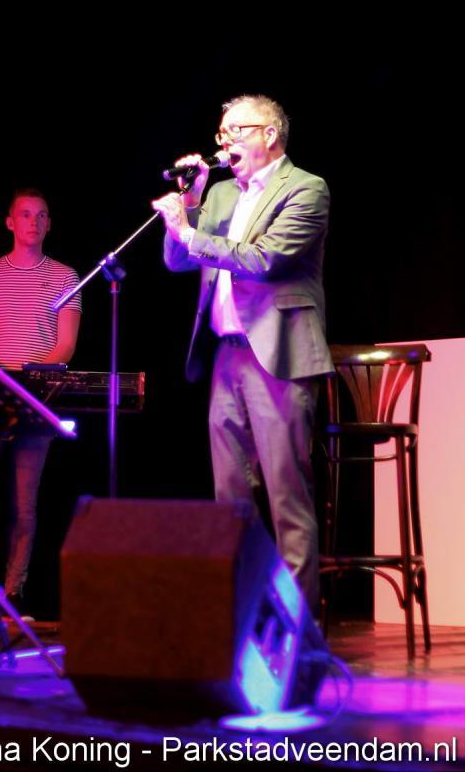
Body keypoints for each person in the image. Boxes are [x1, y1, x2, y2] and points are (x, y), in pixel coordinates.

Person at [152, 95, 332, 613]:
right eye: (221, 133)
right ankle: (244, 619)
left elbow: (264, 259)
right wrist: (189, 206)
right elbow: (179, 260)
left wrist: (190, 232)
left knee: (285, 496)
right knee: (229, 498)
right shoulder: (222, 192)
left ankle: (297, 632)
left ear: (269, 135)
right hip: (227, 355)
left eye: (235, 131)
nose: (224, 141)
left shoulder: (306, 188)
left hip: (279, 353)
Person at [0, 188, 81, 612]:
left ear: (50, 225)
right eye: (26, 214)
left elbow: (64, 346)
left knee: (23, 506)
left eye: (42, 215)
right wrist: (2, 382)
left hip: (36, 401)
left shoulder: (66, 277)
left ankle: (13, 592)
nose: (34, 222)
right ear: (10, 222)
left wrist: (28, 384)